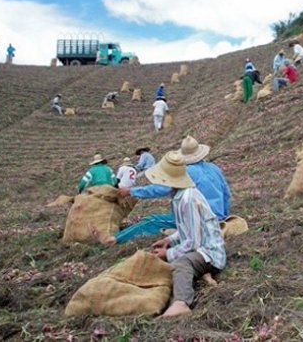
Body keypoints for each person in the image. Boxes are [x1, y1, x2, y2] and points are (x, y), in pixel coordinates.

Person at [133, 151, 226, 318]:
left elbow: (194, 242)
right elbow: (185, 230)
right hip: (199, 246)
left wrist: (168, 253)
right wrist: (168, 240)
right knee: (175, 255)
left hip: (209, 251)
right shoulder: (180, 196)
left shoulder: (188, 199)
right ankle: (203, 273)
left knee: (181, 264)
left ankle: (181, 303)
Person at [98, 135, 232, 244]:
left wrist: (131, 191)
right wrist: (223, 215)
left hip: (202, 216)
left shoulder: (187, 171)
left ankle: (114, 239)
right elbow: (226, 193)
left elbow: (161, 189)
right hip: (218, 214)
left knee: (152, 221)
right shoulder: (214, 168)